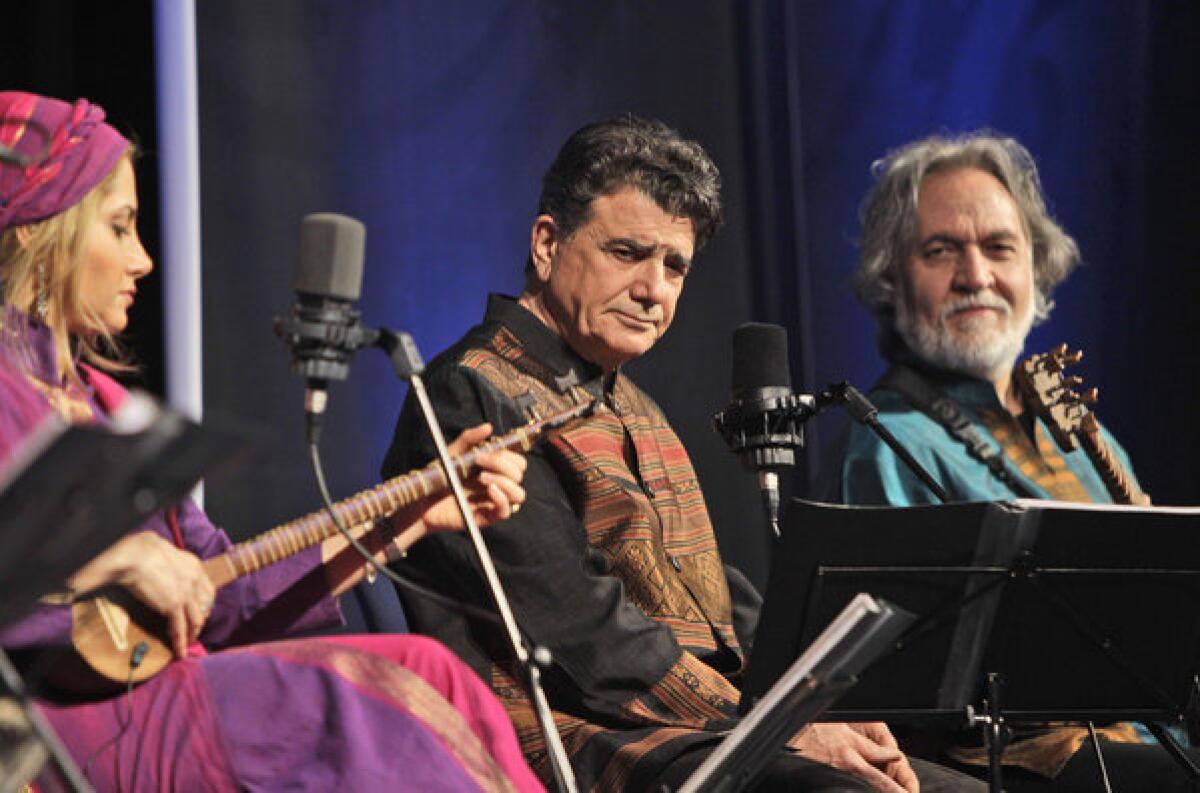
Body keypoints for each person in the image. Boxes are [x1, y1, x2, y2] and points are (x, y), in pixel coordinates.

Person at [383, 116, 983, 792]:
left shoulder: (630, 399)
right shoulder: (469, 391)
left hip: (705, 727)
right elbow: (581, 633)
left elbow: (715, 605)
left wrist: (823, 704)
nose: (654, 289)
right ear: (547, 243)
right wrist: (778, 720)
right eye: (627, 252)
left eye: (674, 266)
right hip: (576, 740)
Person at [0, 90, 543, 793]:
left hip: (171, 689)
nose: (142, 261)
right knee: (388, 695)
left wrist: (411, 514)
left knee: (437, 673)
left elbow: (225, 599)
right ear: (37, 230)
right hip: (84, 726)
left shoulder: (103, 403)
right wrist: (119, 555)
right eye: (120, 227)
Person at [813, 131, 1194, 791]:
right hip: (1015, 765)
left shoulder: (1083, 436)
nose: (977, 277)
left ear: (1035, 268)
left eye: (999, 247)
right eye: (940, 251)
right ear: (892, 277)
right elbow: (905, 689)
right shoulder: (886, 441)